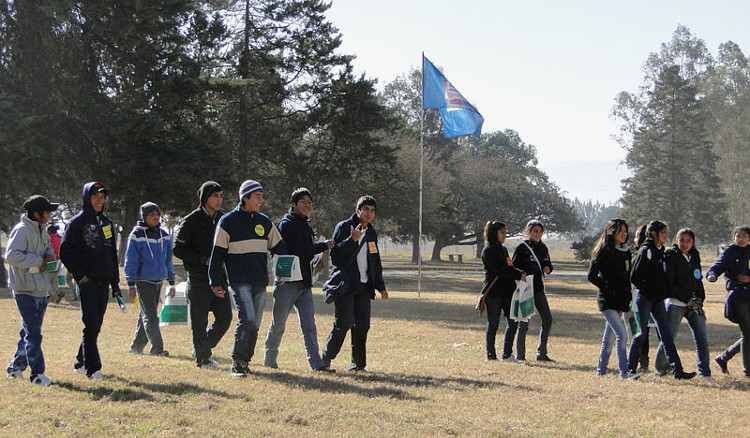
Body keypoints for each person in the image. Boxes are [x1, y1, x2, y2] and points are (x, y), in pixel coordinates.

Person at [209, 180, 286, 378]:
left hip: (260, 280)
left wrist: (283, 272)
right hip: (239, 280)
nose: (261, 200)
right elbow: (217, 255)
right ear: (245, 198)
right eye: (257, 196)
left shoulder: (264, 221)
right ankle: (236, 363)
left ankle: (245, 362)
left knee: (256, 323)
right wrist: (215, 281)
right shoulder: (227, 222)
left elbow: (280, 248)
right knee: (248, 319)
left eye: (262, 196)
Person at [263, 188, 335, 372]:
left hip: (304, 284)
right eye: (303, 201)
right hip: (286, 284)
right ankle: (269, 362)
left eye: (310, 202)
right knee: (278, 324)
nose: (307, 205)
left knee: (309, 325)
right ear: (293, 204)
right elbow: (298, 250)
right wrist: (322, 246)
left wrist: (315, 264)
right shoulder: (286, 225)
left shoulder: (306, 225)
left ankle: (316, 364)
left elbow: (305, 254)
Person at [60, 182, 122, 381]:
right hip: (87, 282)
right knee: (91, 323)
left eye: (102, 197)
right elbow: (65, 251)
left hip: (104, 281)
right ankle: (93, 368)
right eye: (95, 196)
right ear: (87, 198)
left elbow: (112, 254)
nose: (99, 200)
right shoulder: (77, 222)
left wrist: (115, 283)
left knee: (96, 325)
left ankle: (80, 361)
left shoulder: (106, 222)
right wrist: (81, 276)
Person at [321, 196, 388, 372]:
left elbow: (375, 261)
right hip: (346, 284)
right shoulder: (344, 227)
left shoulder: (371, 232)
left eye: (372, 210)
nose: (369, 213)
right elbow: (336, 257)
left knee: (363, 326)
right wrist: (352, 240)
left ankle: (358, 365)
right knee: (343, 323)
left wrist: (380, 286)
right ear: (358, 210)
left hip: (364, 287)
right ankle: (326, 357)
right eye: (365, 209)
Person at [173, 181, 232, 370]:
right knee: (199, 322)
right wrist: (203, 259)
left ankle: (203, 347)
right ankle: (203, 359)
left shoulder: (223, 219)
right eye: (215, 196)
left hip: (219, 279)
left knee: (225, 318)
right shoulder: (191, 220)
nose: (219, 200)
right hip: (198, 279)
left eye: (221, 196)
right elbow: (178, 249)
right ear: (205, 198)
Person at [627, 220, 696, 380]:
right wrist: (648, 288)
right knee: (640, 335)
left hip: (658, 300)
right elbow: (635, 276)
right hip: (645, 299)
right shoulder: (646, 250)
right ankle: (630, 370)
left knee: (666, 335)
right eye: (663, 233)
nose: (666, 236)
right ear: (654, 234)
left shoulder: (661, 251)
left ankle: (677, 370)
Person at [5, 195, 59, 386]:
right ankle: (37, 374)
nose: (50, 214)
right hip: (24, 291)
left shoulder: (43, 231)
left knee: (28, 333)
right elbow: (12, 256)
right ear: (36, 214)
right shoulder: (21, 231)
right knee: (34, 334)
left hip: (40, 290)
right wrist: (38, 261)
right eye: (47, 211)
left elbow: (48, 251)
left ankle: (15, 368)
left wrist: (50, 258)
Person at [653, 228, 710, 379]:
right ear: (676, 241)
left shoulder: (694, 256)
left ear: (693, 242)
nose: (685, 244)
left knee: (702, 338)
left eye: (688, 240)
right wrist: (686, 299)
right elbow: (670, 284)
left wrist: (700, 299)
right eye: (682, 240)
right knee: (668, 338)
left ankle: (705, 373)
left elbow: (698, 279)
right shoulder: (670, 256)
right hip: (676, 303)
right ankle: (660, 370)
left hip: (694, 304)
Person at [587, 219, 639, 379]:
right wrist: (608, 287)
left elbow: (627, 275)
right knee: (622, 335)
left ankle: (600, 372)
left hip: (621, 302)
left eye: (625, 230)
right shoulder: (604, 250)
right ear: (611, 232)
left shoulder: (625, 251)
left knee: (608, 339)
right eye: (620, 231)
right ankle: (624, 373)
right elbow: (592, 276)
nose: (624, 234)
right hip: (607, 301)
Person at [124, 202, 175, 356]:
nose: (155, 217)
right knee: (151, 316)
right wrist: (131, 284)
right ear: (144, 216)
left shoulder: (164, 235)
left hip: (158, 281)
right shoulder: (136, 235)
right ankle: (157, 349)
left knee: (145, 315)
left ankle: (136, 347)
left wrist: (172, 282)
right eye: (151, 214)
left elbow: (168, 261)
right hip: (142, 281)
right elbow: (130, 260)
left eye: (157, 214)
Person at [707, 226, 750, 376]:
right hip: (738, 296)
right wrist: (711, 275)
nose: (741, 239)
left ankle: (723, 357)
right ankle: (747, 372)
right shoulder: (729, 252)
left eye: (744, 236)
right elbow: (717, 266)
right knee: (747, 333)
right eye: (738, 236)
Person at [480, 220, 525, 362]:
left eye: (505, 232)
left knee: (513, 321)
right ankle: (491, 355)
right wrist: (516, 274)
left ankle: (507, 354)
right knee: (493, 324)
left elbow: (509, 267)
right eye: (502, 232)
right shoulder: (488, 251)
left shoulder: (503, 249)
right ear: (494, 233)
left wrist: (521, 273)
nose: (505, 235)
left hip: (507, 291)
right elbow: (500, 270)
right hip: (493, 292)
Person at [511, 220, 554, 362]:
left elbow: (547, 263)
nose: (538, 234)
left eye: (540, 232)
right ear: (528, 232)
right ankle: (520, 355)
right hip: (526, 289)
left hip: (538, 289)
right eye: (535, 231)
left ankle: (541, 353)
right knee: (524, 321)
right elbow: (514, 267)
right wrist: (521, 275)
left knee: (547, 319)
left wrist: (548, 268)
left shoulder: (543, 247)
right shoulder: (522, 248)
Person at [46, 223, 65, 304]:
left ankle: (57, 293)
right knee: (54, 280)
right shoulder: (59, 239)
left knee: (46, 281)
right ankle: (53, 300)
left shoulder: (48, 239)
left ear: (49, 231)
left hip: (50, 261)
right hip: (59, 260)